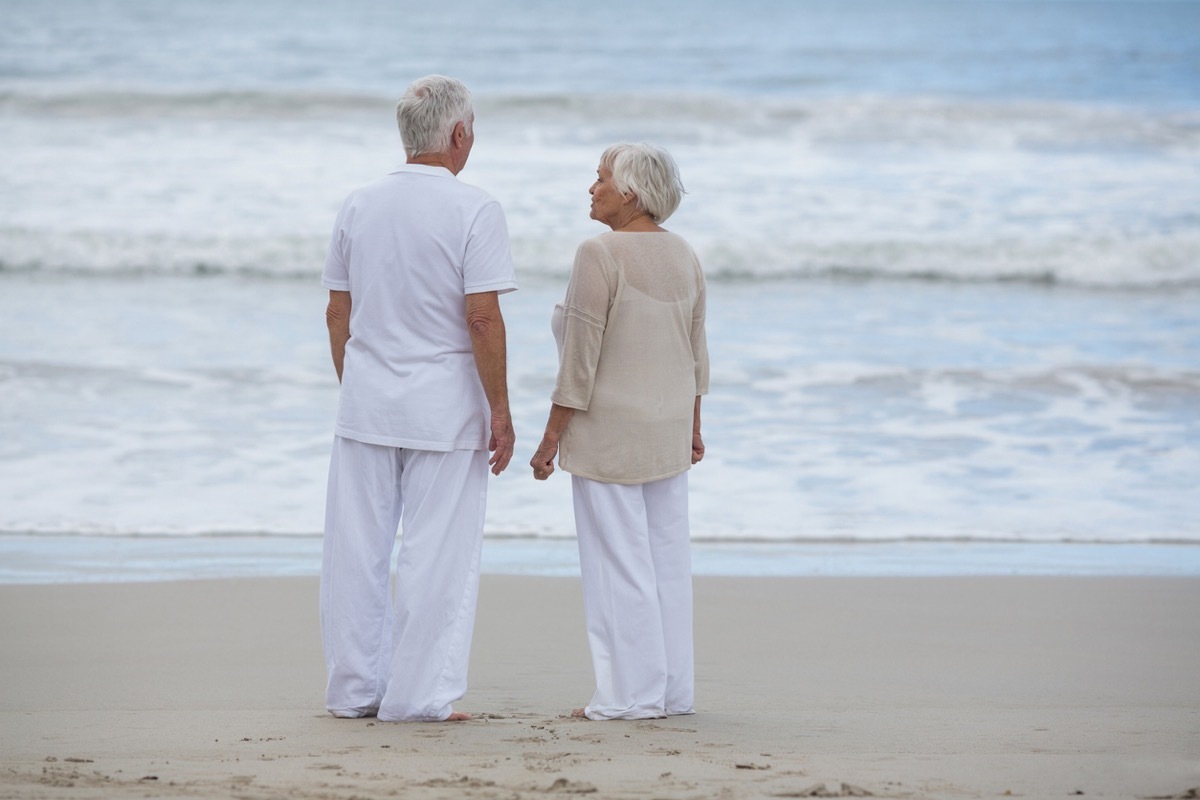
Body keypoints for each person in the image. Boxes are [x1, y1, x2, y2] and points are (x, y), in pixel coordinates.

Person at [319, 75, 517, 723]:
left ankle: (355, 692)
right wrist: (502, 410)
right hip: (444, 409)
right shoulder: (475, 209)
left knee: (356, 550)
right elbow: (482, 318)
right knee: (437, 553)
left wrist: (362, 388)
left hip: (368, 404)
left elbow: (336, 314)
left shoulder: (358, 204)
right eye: (473, 130)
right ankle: (417, 697)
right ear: (457, 135)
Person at [530, 143, 709, 720]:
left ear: (630, 192)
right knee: (665, 563)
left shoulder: (598, 253)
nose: (592, 187)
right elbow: (696, 353)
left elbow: (580, 358)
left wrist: (550, 438)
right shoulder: (684, 254)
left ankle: (629, 696)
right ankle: (670, 692)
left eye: (601, 177)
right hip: (668, 427)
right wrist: (694, 427)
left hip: (609, 431)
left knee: (618, 566)